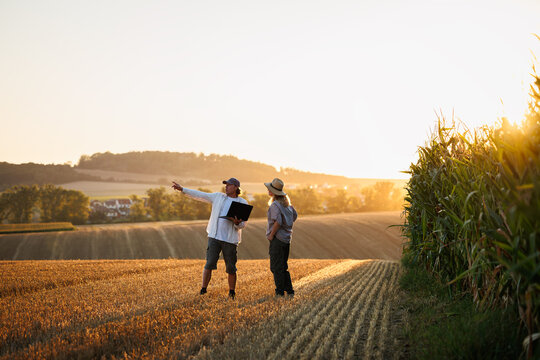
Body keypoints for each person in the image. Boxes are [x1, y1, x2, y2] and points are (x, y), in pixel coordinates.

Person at [172, 178, 248, 299]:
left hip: (230, 240)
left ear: (235, 187)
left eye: (229, 185)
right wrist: (182, 189)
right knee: (209, 263)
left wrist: (237, 222)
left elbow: (242, 225)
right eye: (226, 185)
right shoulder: (218, 196)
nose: (226, 187)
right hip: (214, 237)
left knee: (231, 267)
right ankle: (203, 289)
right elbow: (200, 195)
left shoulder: (242, 202)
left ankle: (232, 292)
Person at [265, 178, 298, 297]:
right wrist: (287, 226)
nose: (268, 190)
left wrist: (271, 235)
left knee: (275, 267)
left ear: (273, 192)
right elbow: (295, 216)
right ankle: (289, 291)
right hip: (286, 239)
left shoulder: (275, 205)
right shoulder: (288, 205)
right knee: (283, 266)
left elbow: (277, 222)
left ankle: (279, 292)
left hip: (277, 240)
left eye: (270, 188)